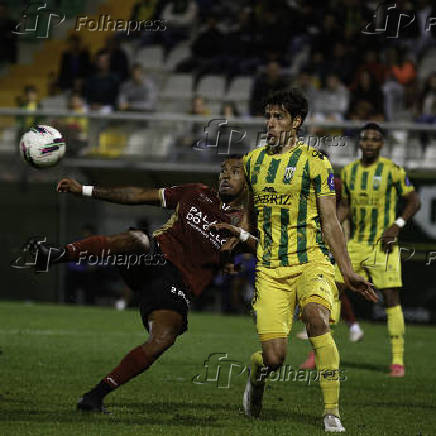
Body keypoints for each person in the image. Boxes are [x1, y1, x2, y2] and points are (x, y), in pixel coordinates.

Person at [17, 156, 247, 413]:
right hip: (152, 257)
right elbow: (137, 194)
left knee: (163, 338)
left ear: (249, 181)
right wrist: (84, 190)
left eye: (235, 172)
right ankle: (55, 255)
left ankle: (94, 397)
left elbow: (252, 253)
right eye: (223, 170)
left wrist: (233, 256)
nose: (226, 176)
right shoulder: (195, 193)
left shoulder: (247, 221)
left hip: (178, 285)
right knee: (138, 239)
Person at [213, 89, 377, 432]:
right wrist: (239, 239)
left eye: (279, 117)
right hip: (271, 269)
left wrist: (347, 271)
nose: (271, 123)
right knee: (274, 358)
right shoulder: (254, 161)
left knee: (317, 318)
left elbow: (331, 220)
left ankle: (331, 412)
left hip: (311, 261)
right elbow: (251, 211)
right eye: (268, 116)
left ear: (296, 122)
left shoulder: (316, 161)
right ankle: (257, 377)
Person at [335, 123, 421, 378]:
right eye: (366, 139)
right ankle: (319, 354)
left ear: (381, 144)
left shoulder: (392, 170)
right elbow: (346, 206)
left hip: (383, 245)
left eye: (375, 139)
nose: (370, 143)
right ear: (359, 143)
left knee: (391, 299)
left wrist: (397, 224)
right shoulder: (349, 171)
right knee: (333, 292)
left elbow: (414, 200)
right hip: (356, 244)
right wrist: (332, 221)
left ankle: (397, 360)